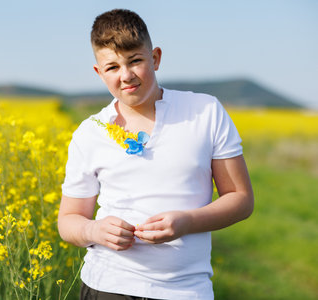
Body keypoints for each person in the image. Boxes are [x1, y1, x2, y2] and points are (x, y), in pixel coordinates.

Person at [58, 8, 254, 300]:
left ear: (156, 58)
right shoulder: (89, 133)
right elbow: (69, 220)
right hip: (107, 285)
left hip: (186, 291)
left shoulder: (206, 111)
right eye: (112, 67)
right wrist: (94, 231)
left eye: (135, 61)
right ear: (99, 73)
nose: (126, 76)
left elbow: (241, 199)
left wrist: (187, 222)